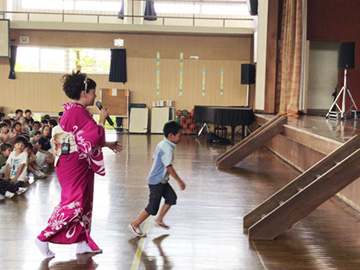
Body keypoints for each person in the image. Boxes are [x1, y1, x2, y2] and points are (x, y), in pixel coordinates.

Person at [35, 70, 123, 258]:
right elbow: (93, 136)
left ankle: (83, 242)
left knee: (84, 203)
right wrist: (101, 120)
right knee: (73, 203)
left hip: (75, 162)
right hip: (72, 164)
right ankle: (43, 237)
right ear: (84, 93)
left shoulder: (76, 111)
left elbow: (84, 139)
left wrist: (107, 144)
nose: (95, 96)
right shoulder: (77, 112)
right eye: (93, 92)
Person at [128, 121, 186, 237]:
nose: (181, 137)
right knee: (152, 208)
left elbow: (154, 159)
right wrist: (179, 181)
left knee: (171, 198)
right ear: (171, 135)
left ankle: (159, 219)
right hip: (157, 182)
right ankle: (135, 224)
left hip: (161, 180)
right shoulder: (167, 148)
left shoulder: (162, 144)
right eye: (179, 135)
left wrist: (156, 172)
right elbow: (168, 166)